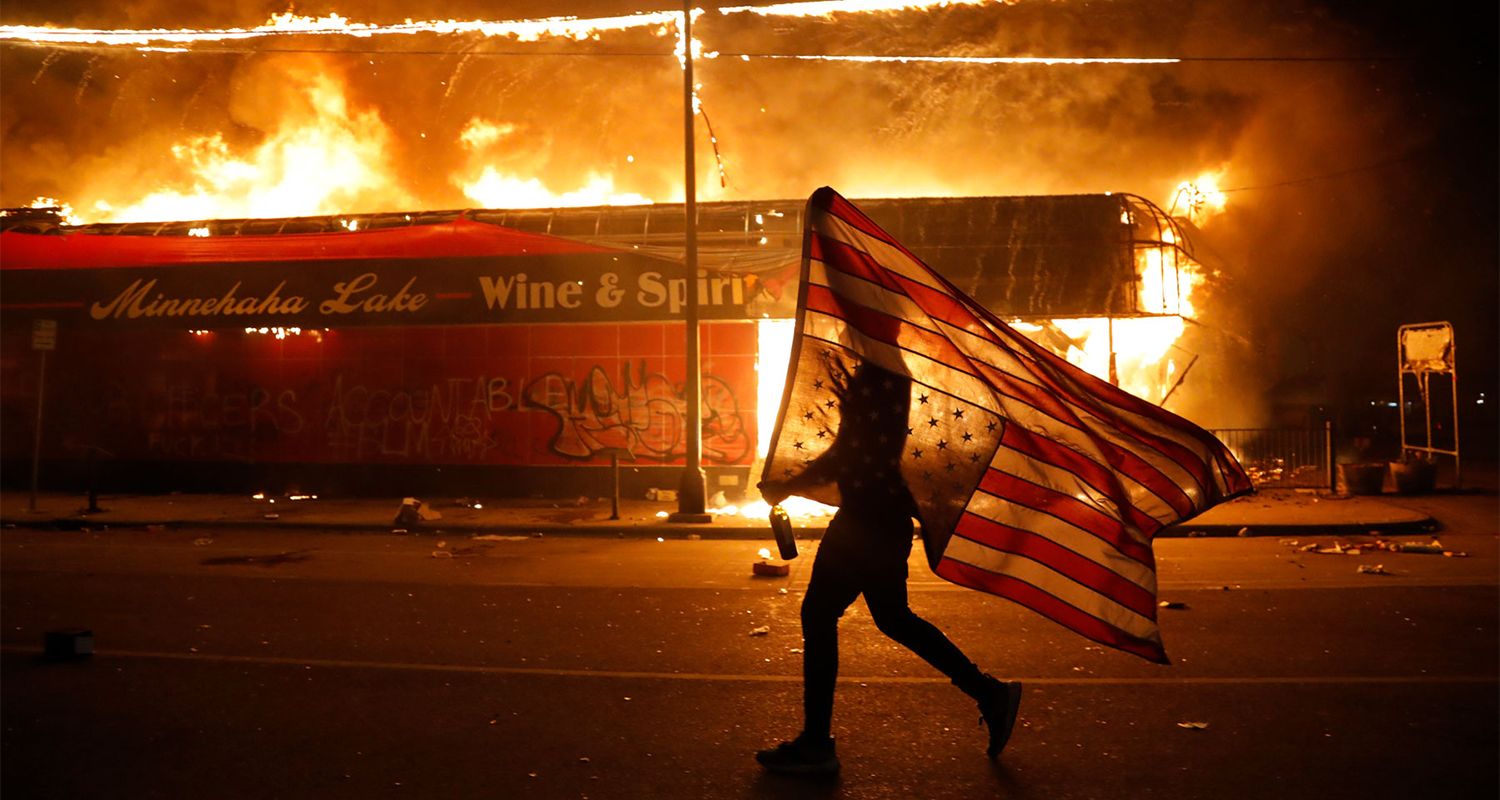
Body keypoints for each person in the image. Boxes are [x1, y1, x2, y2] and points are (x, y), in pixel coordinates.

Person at [755, 359, 1022, 775]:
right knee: (893, 618)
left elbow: (850, 451)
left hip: (867, 520)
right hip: (883, 518)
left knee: (820, 615)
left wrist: (788, 485)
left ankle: (816, 746)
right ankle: (989, 693)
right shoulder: (884, 370)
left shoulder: (879, 372)